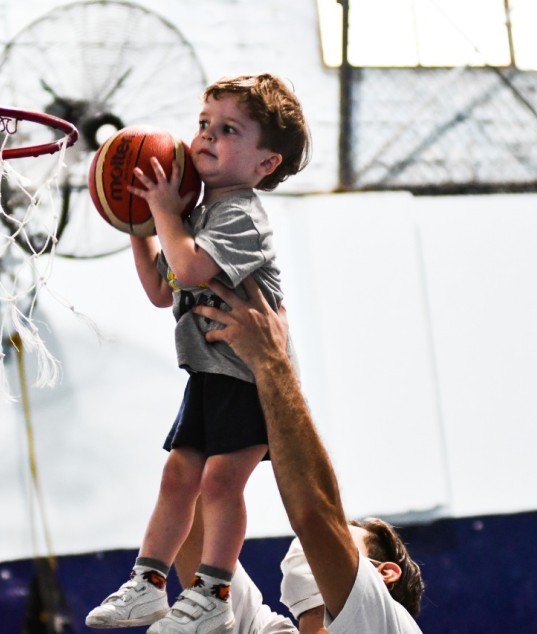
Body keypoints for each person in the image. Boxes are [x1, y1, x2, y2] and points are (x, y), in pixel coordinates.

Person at [85, 73, 310, 634]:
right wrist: (138, 226)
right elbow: (164, 290)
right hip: (210, 372)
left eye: (228, 129)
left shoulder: (242, 217)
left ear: (265, 163)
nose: (206, 136)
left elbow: (188, 269)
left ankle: (212, 591)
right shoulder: (196, 218)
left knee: (218, 483)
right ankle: (150, 581)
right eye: (204, 124)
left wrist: (162, 213)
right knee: (177, 475)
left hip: (253, 378)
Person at [187, 277, 425, 633]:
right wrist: (222, 363)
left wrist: (271, 360)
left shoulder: (385, 626)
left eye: (343, 530)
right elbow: (191, 528)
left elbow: (315, 515)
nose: (309, 547)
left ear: (383, 573)